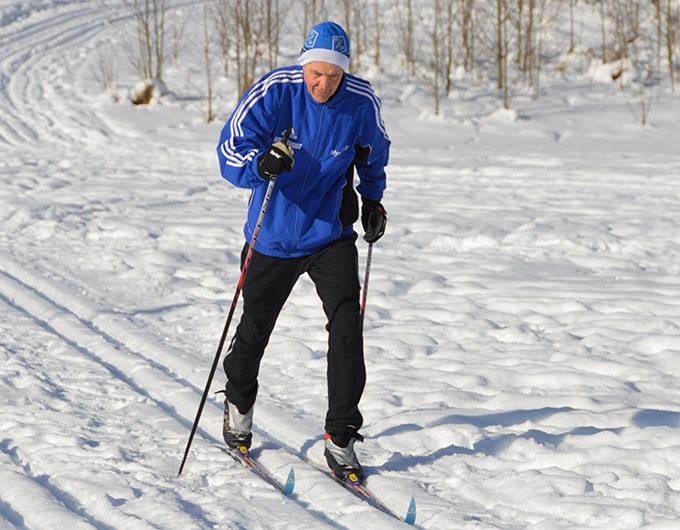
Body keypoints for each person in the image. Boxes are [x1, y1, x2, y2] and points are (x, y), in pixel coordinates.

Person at [216, 21, 390, 485]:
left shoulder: (359, 101)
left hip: (329, 233)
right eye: (316, 73)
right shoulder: (276, 90)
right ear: (303, 64)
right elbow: (229, 148)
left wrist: (372, 200)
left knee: (347, 327)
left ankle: (341, 435)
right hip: (271, 233)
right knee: (255, 329)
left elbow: (374, 154)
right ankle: (238, 403)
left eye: (333, 77)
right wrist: (259, 164)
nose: (323, 84)